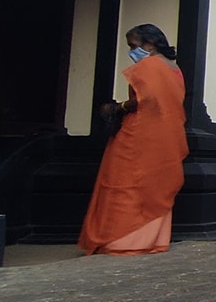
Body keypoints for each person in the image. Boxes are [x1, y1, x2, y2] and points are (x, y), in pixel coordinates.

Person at [78, 24, 189, 255]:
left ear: (149, 45)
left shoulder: (149, 65)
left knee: (123, 183)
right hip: (168, 134)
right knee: (155, 184)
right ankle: (152, 239)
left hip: (139, 133)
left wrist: (117, 106)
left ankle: (119, 240)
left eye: (133, 46)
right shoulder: (175, 69)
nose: (131, 51)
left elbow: (143, 100)